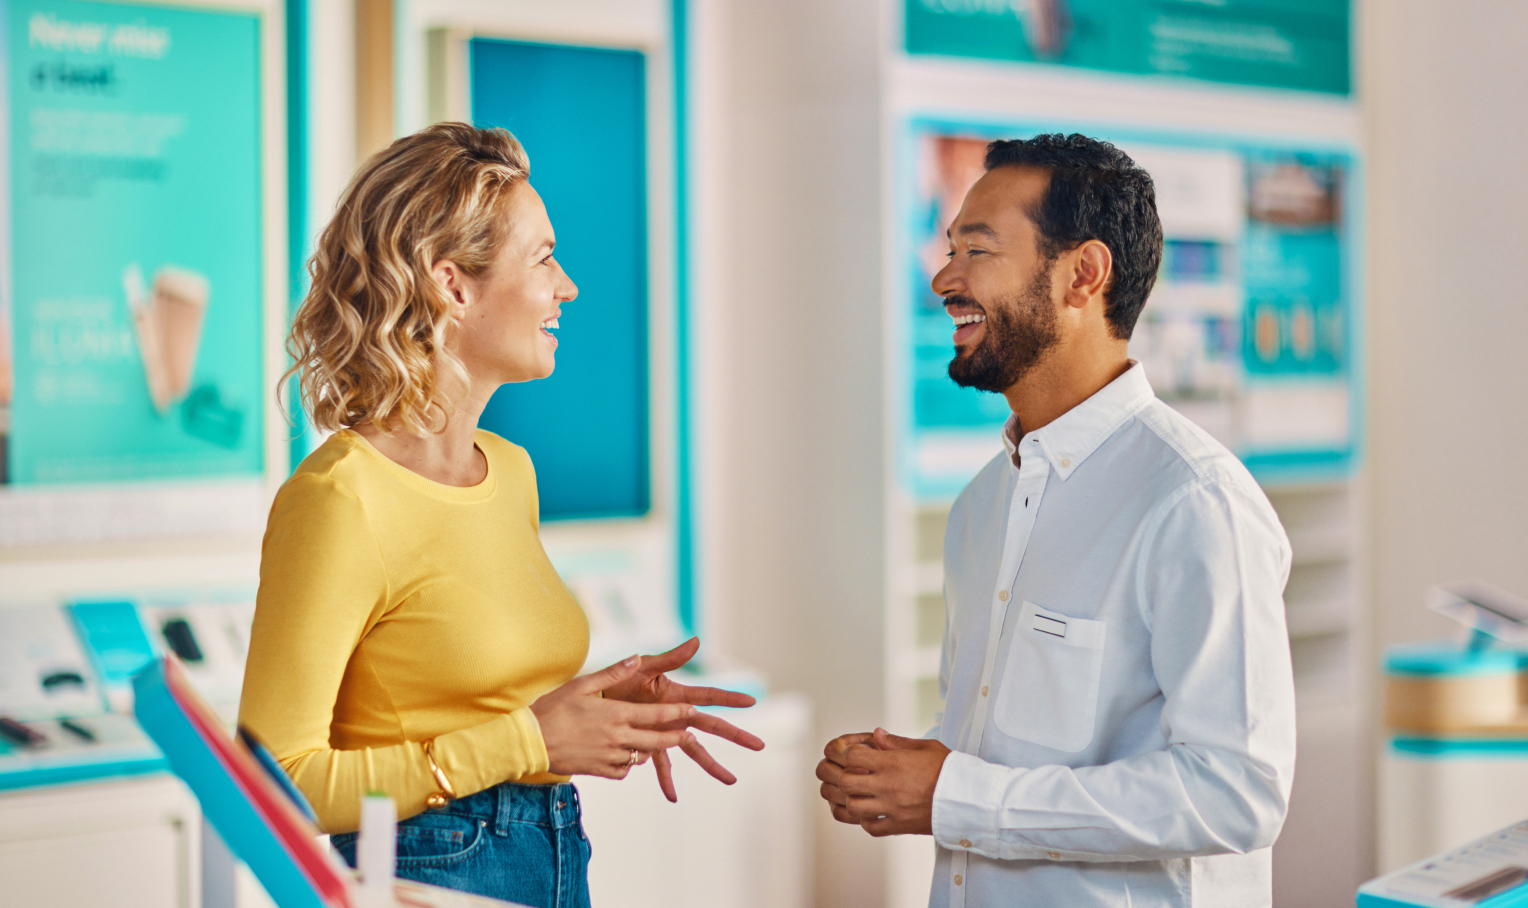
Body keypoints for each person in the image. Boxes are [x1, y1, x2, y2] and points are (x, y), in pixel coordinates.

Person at [240, 122, 763, 908]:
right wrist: (527, 738)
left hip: (552, 846)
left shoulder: (510, 471)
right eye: (543, 257)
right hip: (428, 870)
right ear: (453, 286)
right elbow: (272, 787)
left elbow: (466, 690)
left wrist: (598, 710)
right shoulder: (339, 499)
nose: (568, 286)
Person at [816, 134, 1296, 908]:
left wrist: (958, 794)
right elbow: (1004, 759)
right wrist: (918, 773)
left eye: (977, 250)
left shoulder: (1195, 502)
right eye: (949, 248)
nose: (944, 278)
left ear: (1083, 275)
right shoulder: (981, 505)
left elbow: (1238, 791)